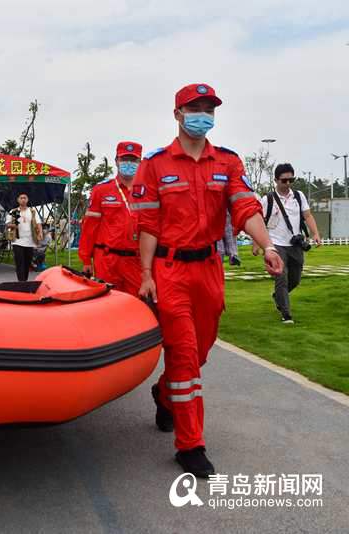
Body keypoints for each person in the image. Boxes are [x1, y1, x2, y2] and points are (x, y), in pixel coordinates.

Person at [134, 83, 283, 478]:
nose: (203, 114)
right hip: (170, 271)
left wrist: (267, 246)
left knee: (199, 352)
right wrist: (146, 274)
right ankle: (190, 444)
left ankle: (164, 394)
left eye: (209, 108)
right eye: (195, 107)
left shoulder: (228, 162)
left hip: (209, 271)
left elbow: (245, 207)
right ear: (178, 114)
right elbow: (148, 224)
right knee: (184, 353)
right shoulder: (156, 164)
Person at [255, 163, 322, 324]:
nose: (288, 184)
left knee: (296, 279)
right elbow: (259, 221)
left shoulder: (298, 196)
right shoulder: (268, 199)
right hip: (275, 244)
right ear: (276, 180)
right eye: (284, 180)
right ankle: (286, 314)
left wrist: (315, 233)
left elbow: (307, 216)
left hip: (295, 243)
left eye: (291, 180)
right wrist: (257, 243)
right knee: (281, 278)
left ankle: (278, 296)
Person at [79, 141, 143, 295]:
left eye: (133, 160)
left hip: (136, 261)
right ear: (116, 161)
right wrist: (86, 259)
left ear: (140, 162)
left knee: (136, 306)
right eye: (124, 159)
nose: (129, 163)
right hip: (107, 260)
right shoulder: (101, 190)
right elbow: (89, 227)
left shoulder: (147, 190)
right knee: (107, 303)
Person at [6, 193, 43, 281]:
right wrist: (13, 225)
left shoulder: (32, 211)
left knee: (27, 263)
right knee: (19, 263)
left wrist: (40, 232)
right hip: (17, 241)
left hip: (30, 241)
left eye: (24, 198)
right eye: (21, 198)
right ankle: (21, 282)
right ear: (18, 200)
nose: (23, 199)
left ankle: (24, 281)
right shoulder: (14, 211)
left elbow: (38, 223)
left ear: (27, 200)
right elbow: (7, 224)